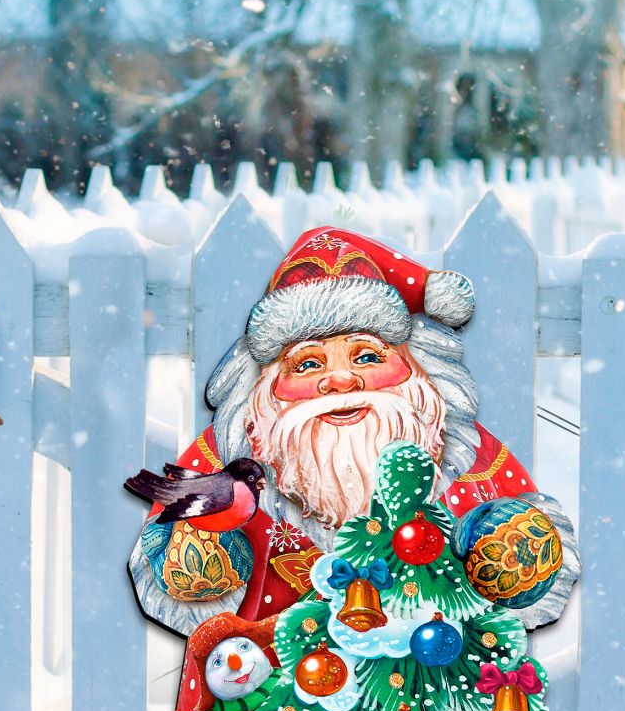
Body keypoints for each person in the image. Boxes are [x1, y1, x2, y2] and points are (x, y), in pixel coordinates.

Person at [129, 225, 570, 636]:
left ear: (418, 372)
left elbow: (537, 564)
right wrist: (196, 566)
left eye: (366, 357)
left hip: (433, 686)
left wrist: (513, 560)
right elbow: (164, 565)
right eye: (307, 364)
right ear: (264, 392)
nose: (340, 382)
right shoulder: (235, 455)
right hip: (261, 688)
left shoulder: (463, 457)